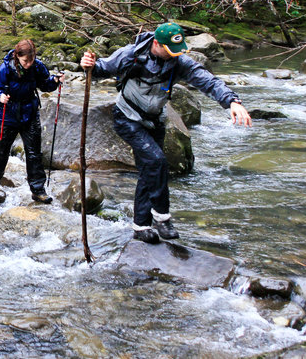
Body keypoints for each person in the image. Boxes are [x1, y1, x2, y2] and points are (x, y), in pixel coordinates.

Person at [79, 22, 252, 244]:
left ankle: (141, 226)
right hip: (127, 118)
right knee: (158, 161)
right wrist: (88, 65)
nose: (175, 55)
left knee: (148, 170)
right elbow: (101, 69)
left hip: (155, 121)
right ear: (157, 44)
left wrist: (232, 101)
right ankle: (162, 217)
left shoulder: (178, 61)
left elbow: (207, 80)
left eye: (177, 51)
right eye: (170, 50)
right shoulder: (130, 55)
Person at [0, 39, 64, 204]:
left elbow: (45, 84)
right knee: (1, 151)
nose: (28, 64)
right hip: (7, 115)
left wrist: (55, 81)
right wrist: (0, 97)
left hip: (29, 113)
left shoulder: (37, 66)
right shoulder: (6, 69)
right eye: (25, 61)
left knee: (34, 153)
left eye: (31, 60)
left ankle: (38, 190)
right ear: (17, 56)